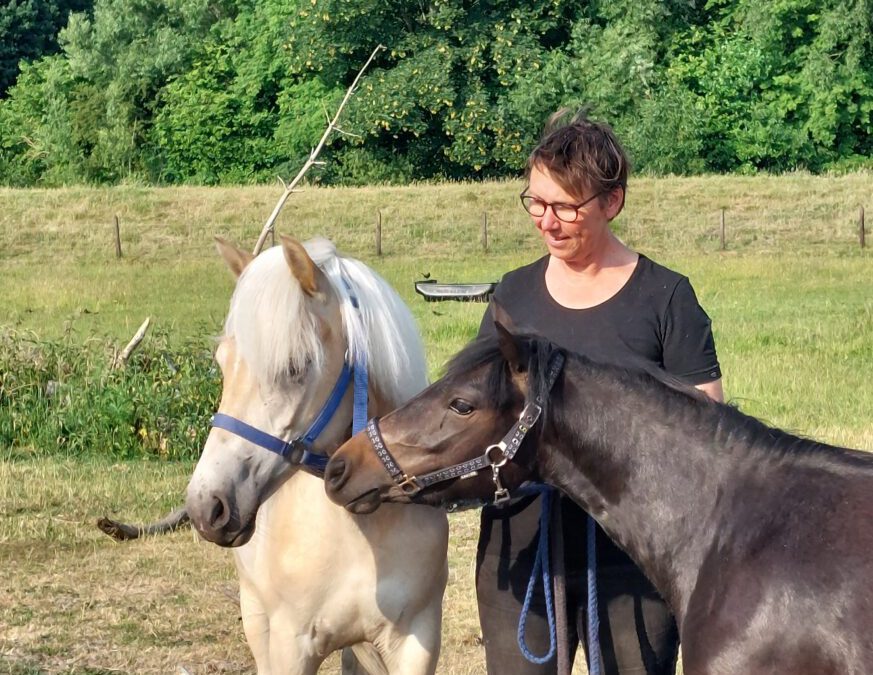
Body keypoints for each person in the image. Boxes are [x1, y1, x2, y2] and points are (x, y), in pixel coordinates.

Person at [475, 110, 724, 675]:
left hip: (635, 559)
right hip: (523, 550)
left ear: (611, 203)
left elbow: (705, 435)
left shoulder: (666, 298)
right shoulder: (512, 295)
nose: (546, 221)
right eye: (536, 202)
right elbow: (484, 413)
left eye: (566, 207)